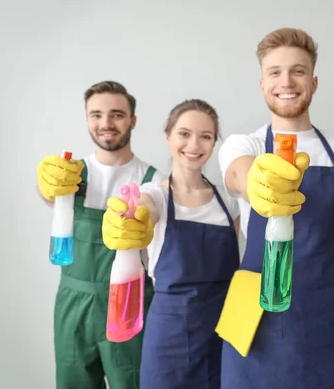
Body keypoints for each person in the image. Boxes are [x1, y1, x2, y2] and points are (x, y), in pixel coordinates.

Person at [215, 27, 334, 389]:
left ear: (314, 82)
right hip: (253, 327)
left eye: (298, 71)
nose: (286, 81)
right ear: (262, 84)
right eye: (274, 72)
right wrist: (255, 181)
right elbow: (236, 174)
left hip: (327, 320)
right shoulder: (245, 144)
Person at [101, 99, 241, 388]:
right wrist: (133, 219)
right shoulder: (156, 196)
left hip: (222, 334)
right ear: (168, 137)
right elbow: (145, 209)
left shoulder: (229, 204)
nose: (194, 144)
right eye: (184, 133)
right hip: (169, 337)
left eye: (206, 136)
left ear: (214, 143)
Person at [36, 80, 165, 389]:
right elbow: (49, 197)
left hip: (129, 304)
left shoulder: (153, 179)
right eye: (96, 115)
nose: (105, 123)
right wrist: (43, 185)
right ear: (87, 119)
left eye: (117, 114)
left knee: (131, 382)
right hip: (73, 302)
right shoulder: (70, 174)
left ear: (133, 120)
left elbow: (157, 218)